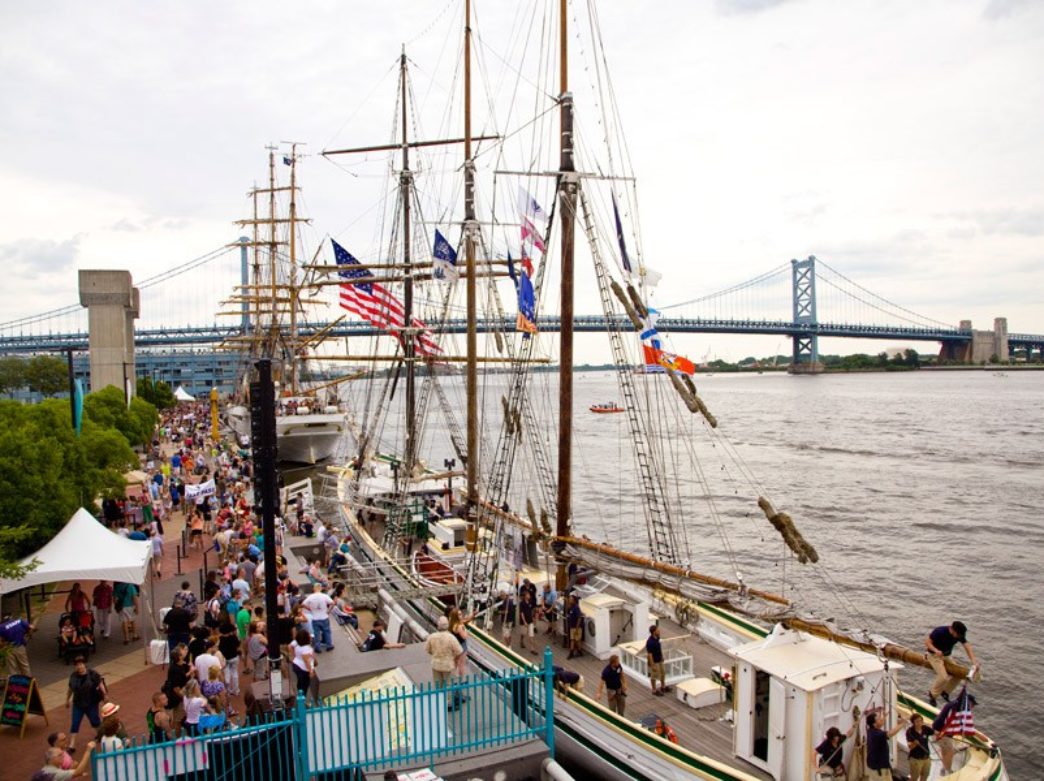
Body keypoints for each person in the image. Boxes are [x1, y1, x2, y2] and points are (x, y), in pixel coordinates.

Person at [924, 621, 978, 706]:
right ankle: (932, 695)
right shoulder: (940, 632)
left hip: (946, 656)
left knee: (959, 674)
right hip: (933, 655)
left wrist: (974, 661)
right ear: (952, 630)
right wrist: (936, 650)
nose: (959, 637)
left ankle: (945, 692)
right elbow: (927, 642)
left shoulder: (959, 634)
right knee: (943, 677)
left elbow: (967, 646)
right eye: (958, 635)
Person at [66, 656, 107, 751]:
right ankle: (72, 745)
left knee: (95, 721)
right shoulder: (73, 676)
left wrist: (105, 695)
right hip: (78, 703)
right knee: (75, 722)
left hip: (91, 702)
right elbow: (70, 689)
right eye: (77, 665)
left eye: (80, 664)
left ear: (84, 664)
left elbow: (100, 683)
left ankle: (100, 735)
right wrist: (67, 700)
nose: (79, 667)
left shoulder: (93, 674)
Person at [865, 710, 908, 780]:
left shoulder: (871, 730)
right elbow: (891, 733)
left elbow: (880, 723)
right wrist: (902, 723)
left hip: (878, 766)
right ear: (874, 724)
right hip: (879, 769)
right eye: (879, 719)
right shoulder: (877, 734)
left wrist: (885, 716)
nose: (881, 719)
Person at [426, 615, 464, 689]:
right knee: (449, 686)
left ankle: (438, 700)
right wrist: (455, 659)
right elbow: (459, 651)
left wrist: (435, 654)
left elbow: (428, 650)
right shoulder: (451, 638)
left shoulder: (431, 637)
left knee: (437, 686)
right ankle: (448, 700)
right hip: (448, 665)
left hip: (436, 665)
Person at [163, 643, 192, 732]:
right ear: (179, 657)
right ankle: (178, 735)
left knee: (181, 716)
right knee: (178, 718)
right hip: (179, 697)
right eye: (182, 651)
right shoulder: (175, 669)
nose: (184, 651)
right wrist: (184, 698)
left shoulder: (182, 665)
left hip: (183, 693)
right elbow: (176, 688)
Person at [301, 583, 335, 653]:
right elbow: (333, 603)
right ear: (321, 588)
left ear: (314, 589)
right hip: (324, 617)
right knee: (327, 631)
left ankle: (318, 647)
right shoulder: (324, 596)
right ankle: (329, 645)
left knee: (316, 633)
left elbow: (302, 604)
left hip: (315, 618)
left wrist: (309, 609)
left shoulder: (311, 597)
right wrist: (328, 611)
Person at [290, 628, 317, 704]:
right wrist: (311, 671)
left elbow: (290, 646)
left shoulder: (296, 644)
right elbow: (307, 661)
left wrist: (293, 656)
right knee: (305, 685)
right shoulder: (307, 649)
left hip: (296, 665)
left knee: (300, 682)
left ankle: (299, 692)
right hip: (303, 669)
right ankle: (302, 701)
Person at [905, 713, 934, 781]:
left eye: (921, 720)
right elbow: (910, 747)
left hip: (926, 758)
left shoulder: (925, 728)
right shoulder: (910, 732)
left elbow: (935, 732)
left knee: (925, 776)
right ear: (913, 723)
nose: (920, 723)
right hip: (916, 759)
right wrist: (914, 743)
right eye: (917, 721)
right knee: (914, 778)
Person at [218, 622, 242, 697]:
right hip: (234, 657)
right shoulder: (233, 637)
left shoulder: (220, 639)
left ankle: (228, 691)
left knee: (226, 675)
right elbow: (238, 644)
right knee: (234, 673)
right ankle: (236, 690)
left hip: (225, 659)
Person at [646, 624, 668, 695]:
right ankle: (654, 690)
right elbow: (649, 654)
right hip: (654, 661)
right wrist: (652, 665)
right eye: (657, 630)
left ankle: (663, 686)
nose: (659, 631)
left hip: (659, 659)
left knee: (662, 673)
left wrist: (661, 656)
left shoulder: (657, 638)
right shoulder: (650, 642)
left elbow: (659, 648)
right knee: (654, 675)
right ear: (654, 632)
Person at [518, 590, 536, 655]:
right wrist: (524, 622)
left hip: (530, 621)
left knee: (531, 635)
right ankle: (521, 640)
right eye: (528, 594)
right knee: (523, 633)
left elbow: (531, 610)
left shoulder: (530, 602)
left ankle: (532, 649)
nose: (529, 595)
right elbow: (522, 613)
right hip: (524, 622)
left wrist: (533, 618)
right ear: (525, 596)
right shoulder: (521, 603)